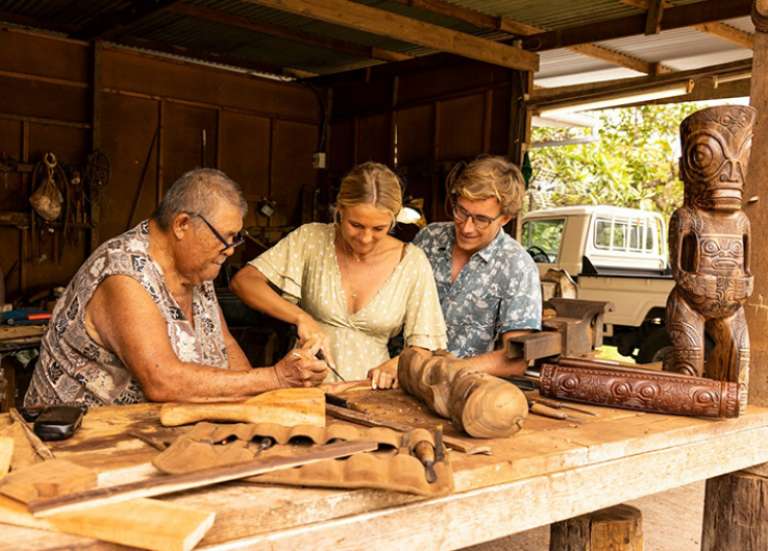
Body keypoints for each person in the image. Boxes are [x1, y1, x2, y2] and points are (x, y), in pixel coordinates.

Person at [24, 169, 328, 407]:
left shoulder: (196, 268)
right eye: (227, 237)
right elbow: (162, 381)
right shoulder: (123, 274)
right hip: (78, 441)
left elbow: (225, 344)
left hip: (149, 431)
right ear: (182, 225)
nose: (231, 250)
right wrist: (274, 377)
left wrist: (260, 402)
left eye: (237, 238)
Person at [231, 162, 447, 382]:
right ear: (339, 209)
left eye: (378, 229)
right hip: (303, 383)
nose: (365, 238)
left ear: (393, 220)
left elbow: (424, 347)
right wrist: (300, 317)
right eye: (356, 225)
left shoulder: (412, 262)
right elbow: (244, 281)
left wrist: (397, 365)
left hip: (370, 394)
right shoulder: (310, 239)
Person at [369, 155, 542, 388]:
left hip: (459, 391)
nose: (467, 227)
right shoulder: (429, 239)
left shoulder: (517, 266)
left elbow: (515, 360)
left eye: (481, 219)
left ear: (505, 218)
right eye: (461, 212)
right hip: (391, 378)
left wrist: (440, 370)